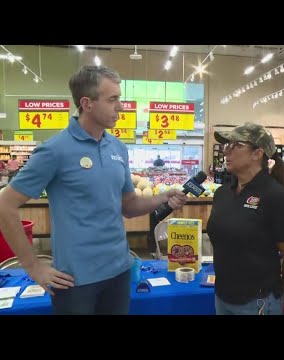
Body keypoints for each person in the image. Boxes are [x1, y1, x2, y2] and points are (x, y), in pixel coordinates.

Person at [0, 65, 187, 315]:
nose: (120, 106)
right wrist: (33, 266)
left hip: (119, 271)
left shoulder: (118, 148)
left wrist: (162, 197)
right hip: (75, 281)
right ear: (87, 103)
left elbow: (129, 206)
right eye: (112, 99)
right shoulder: (54, 151)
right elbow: (5, 205)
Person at [207, 122, 284, 315]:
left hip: (257, 303)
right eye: (227, 145)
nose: (227, 151)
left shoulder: (276, 197)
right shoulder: (223, 193)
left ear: (257, 154)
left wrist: (280, 295)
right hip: (222, 297)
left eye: (235, 145)